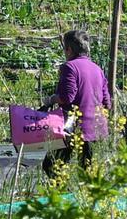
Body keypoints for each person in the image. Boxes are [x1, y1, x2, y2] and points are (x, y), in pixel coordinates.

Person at [45, 28, 112, 172]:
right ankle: (81, 193)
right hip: (96, 128)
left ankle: (60, 193)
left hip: (74, 127)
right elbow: (107, 102)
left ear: (68, 49)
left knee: (52, 166)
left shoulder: (70, 67)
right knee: (87, 170)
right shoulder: (97, 69)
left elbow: (67, 97)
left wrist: (51, 99)